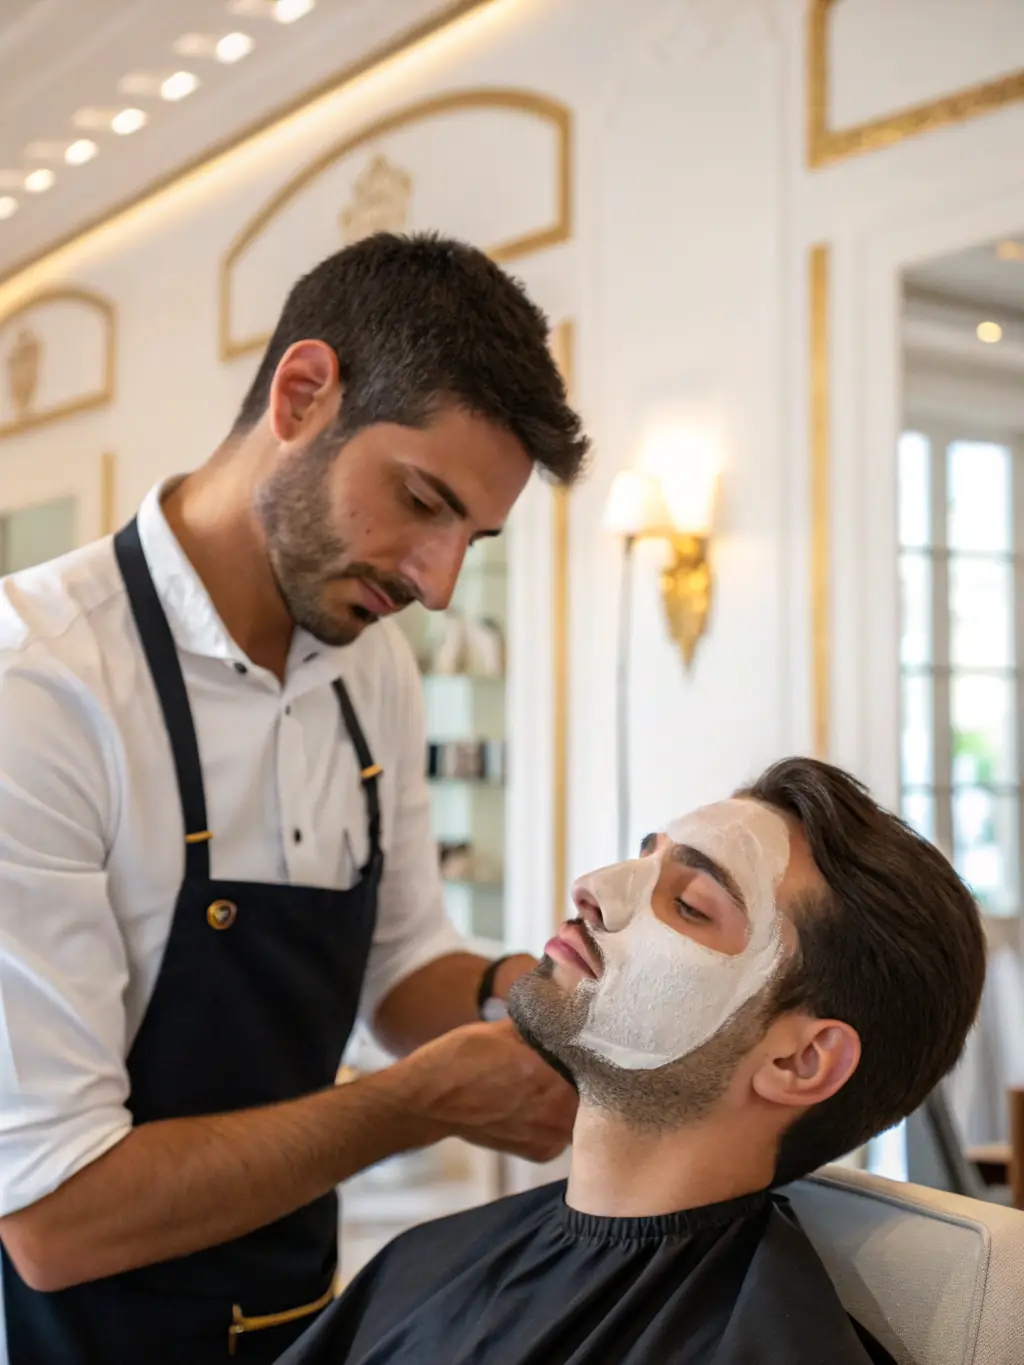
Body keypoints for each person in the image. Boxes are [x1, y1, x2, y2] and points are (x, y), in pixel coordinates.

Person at [0, 233, 589, 1364]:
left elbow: (402, 969)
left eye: (473, 536)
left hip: (290, 1322)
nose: (437, 579)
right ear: (302, 393)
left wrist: (541, 1002)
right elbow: (52, 1215)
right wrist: (415, 1104)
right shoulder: (42, 683)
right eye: (422, 501)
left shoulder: (374, 669)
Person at [280, 757, 986, 1365]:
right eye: (642, 854)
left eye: (687, 903)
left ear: (801, 1059)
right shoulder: (426, 1261)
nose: (592, 884)